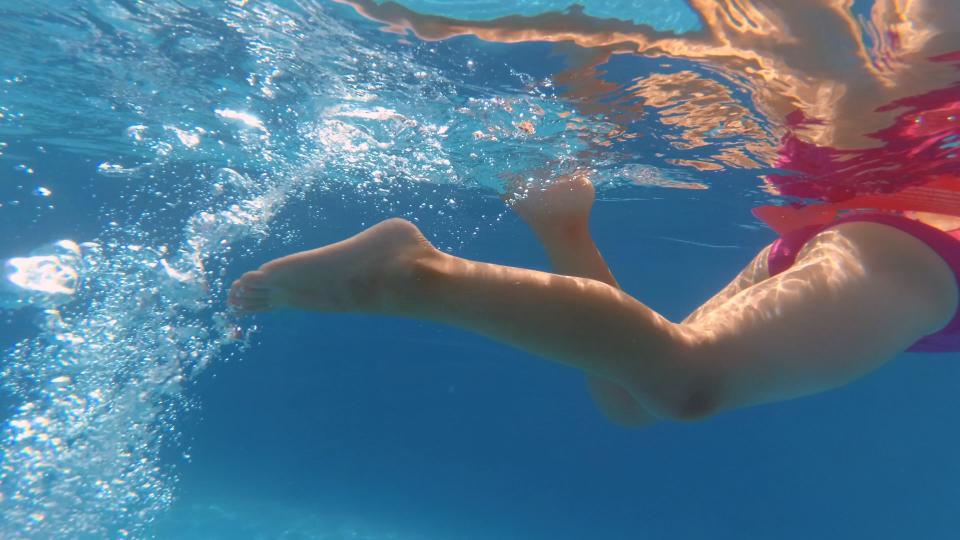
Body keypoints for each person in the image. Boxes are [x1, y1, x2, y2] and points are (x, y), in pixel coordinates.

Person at [228, 173, 960, 426]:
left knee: (635, 397)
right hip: (927, 257)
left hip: (865, 244)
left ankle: (562, 228)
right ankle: (413, 275)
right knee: (689, 383)